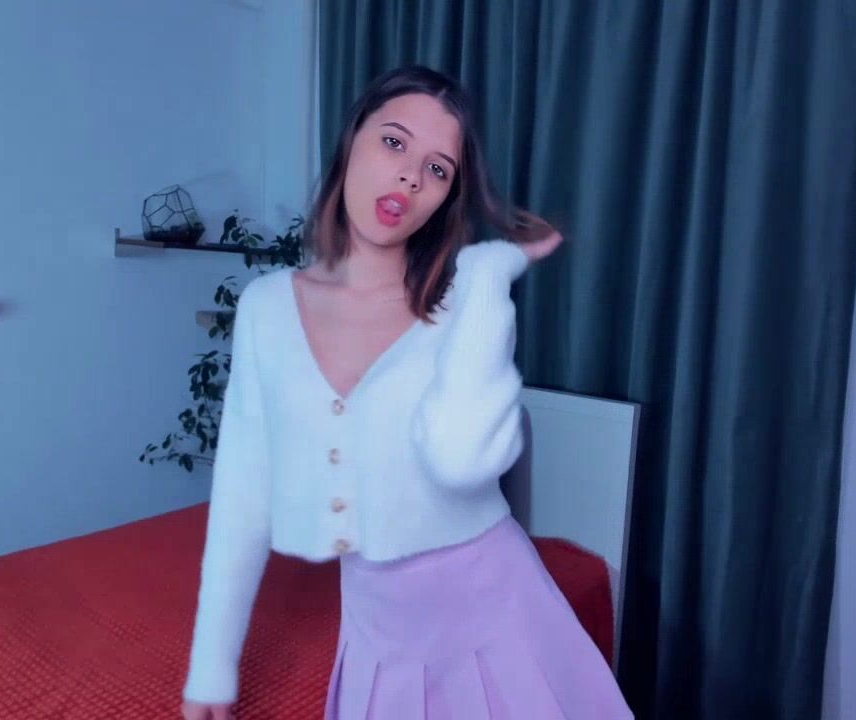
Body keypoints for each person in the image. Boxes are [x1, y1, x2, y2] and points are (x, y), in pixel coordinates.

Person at [180, 65, 633, 720]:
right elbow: (243, 489)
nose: (410, 178)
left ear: (446, 196)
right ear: (353, 138)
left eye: (438, 169)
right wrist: (211, 665)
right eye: (394, 142)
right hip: (379, 634)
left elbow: (462, 460)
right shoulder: (266, 308)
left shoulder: (462, 306)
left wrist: (486, 279)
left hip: (498, 610)